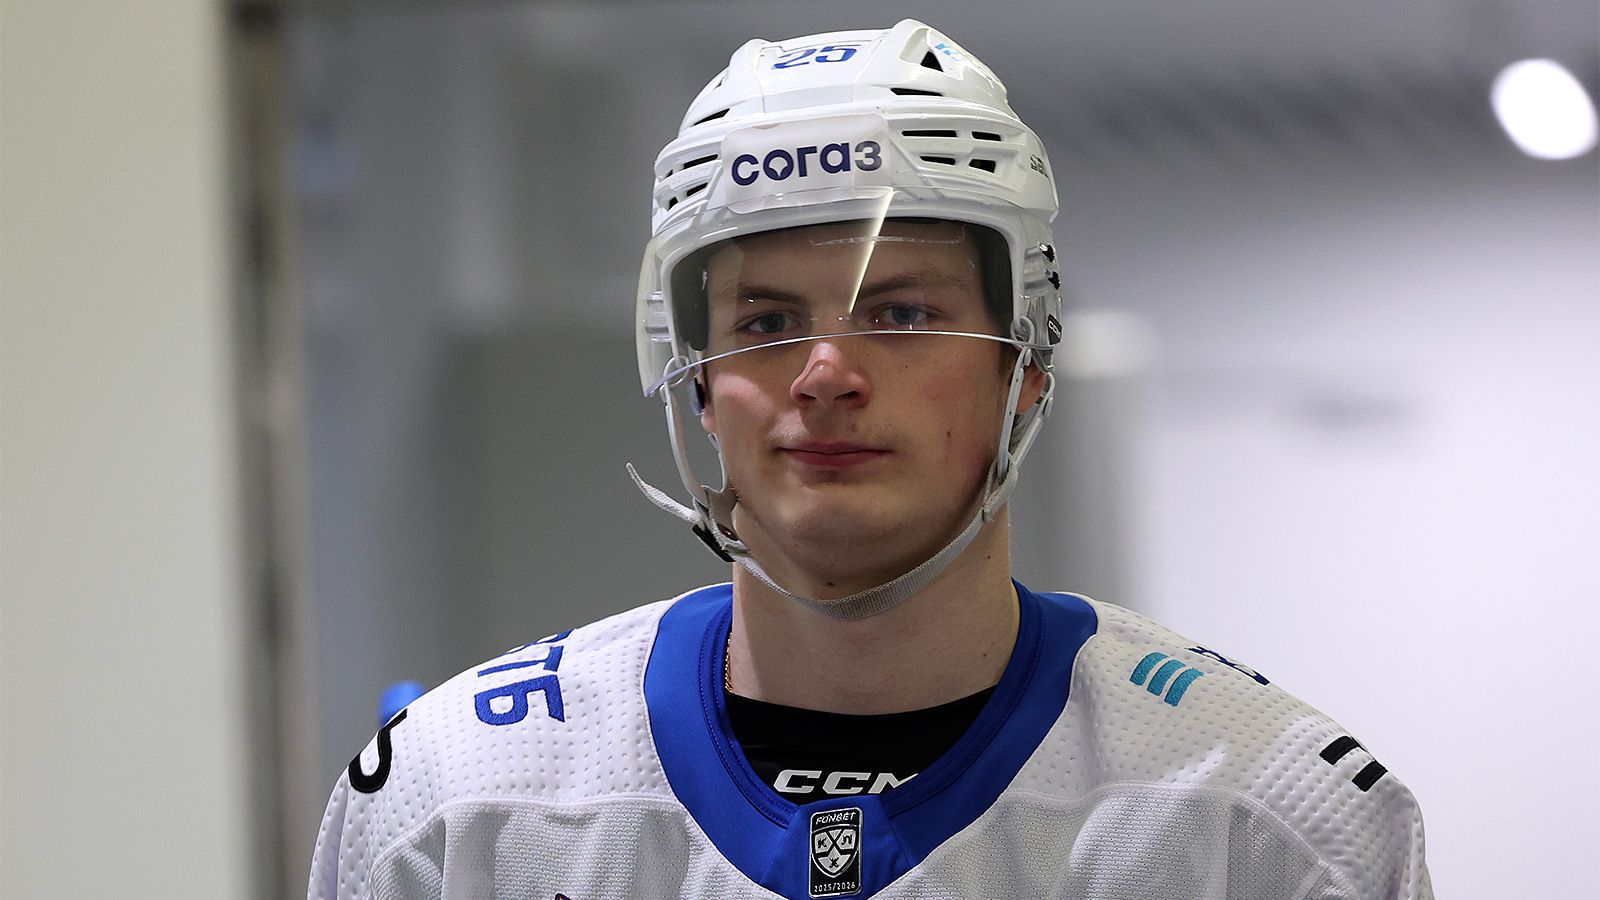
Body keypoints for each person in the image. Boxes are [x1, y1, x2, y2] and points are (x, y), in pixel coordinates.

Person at [310, 19, 1431, 899]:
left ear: (1026, 365)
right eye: (763, 323)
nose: (824, 375)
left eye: (900, 314)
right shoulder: (458, 805)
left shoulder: (1265, 818)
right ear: (695, 380)